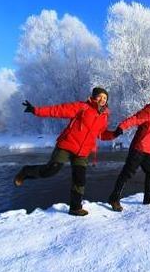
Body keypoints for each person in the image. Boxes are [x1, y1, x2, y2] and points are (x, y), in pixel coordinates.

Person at [13, 87, 119, 217]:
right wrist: (36, 110)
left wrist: (114, 134)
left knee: (79, 180)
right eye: (100, 96)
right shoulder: (82, 107)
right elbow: (58, 110)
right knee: (51, 170)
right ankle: (26, 171)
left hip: (83, 151)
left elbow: (101, 134)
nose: (102, 99)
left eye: (105, 98)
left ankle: (75, 208)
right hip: (67, 145)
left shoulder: (104, 116)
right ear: (94, 96)